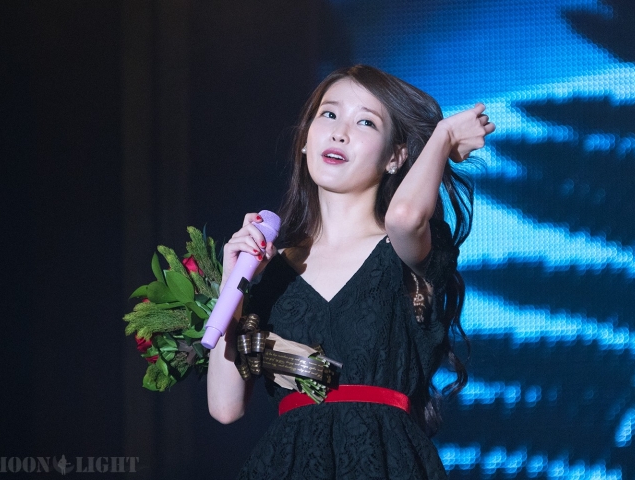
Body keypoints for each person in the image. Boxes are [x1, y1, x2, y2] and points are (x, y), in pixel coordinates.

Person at [207, 64, 494, 479]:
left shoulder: (405, 250)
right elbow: (224, 407)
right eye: (329, 114)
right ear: (305, 140)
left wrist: (443, 137)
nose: (339, 132)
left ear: (395, 157)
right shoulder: (271, 271)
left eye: (365, 122)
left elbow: (405, 216)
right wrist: (233, 285)